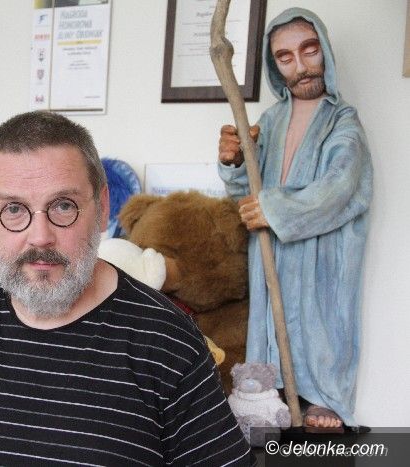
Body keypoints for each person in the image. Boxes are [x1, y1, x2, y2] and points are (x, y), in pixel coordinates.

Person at [0, 110, 253, 465]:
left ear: (102, 207)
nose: (40, 236)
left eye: (63, 206)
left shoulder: (169, 343)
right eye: (13, 209)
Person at [218, 8, 373, 431]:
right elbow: (247, 193)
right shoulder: (270, 121)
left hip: (320, 256)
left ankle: (323, 399)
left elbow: (342, 187)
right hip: (269, 253)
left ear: (325, 51)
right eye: (285, 57)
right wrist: (234, 161)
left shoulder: (342, 121)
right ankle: (268, 396)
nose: (301, 67)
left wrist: (276, 209)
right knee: (268, 323)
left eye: (309, 50)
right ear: (274, 66)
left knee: (321, 324)